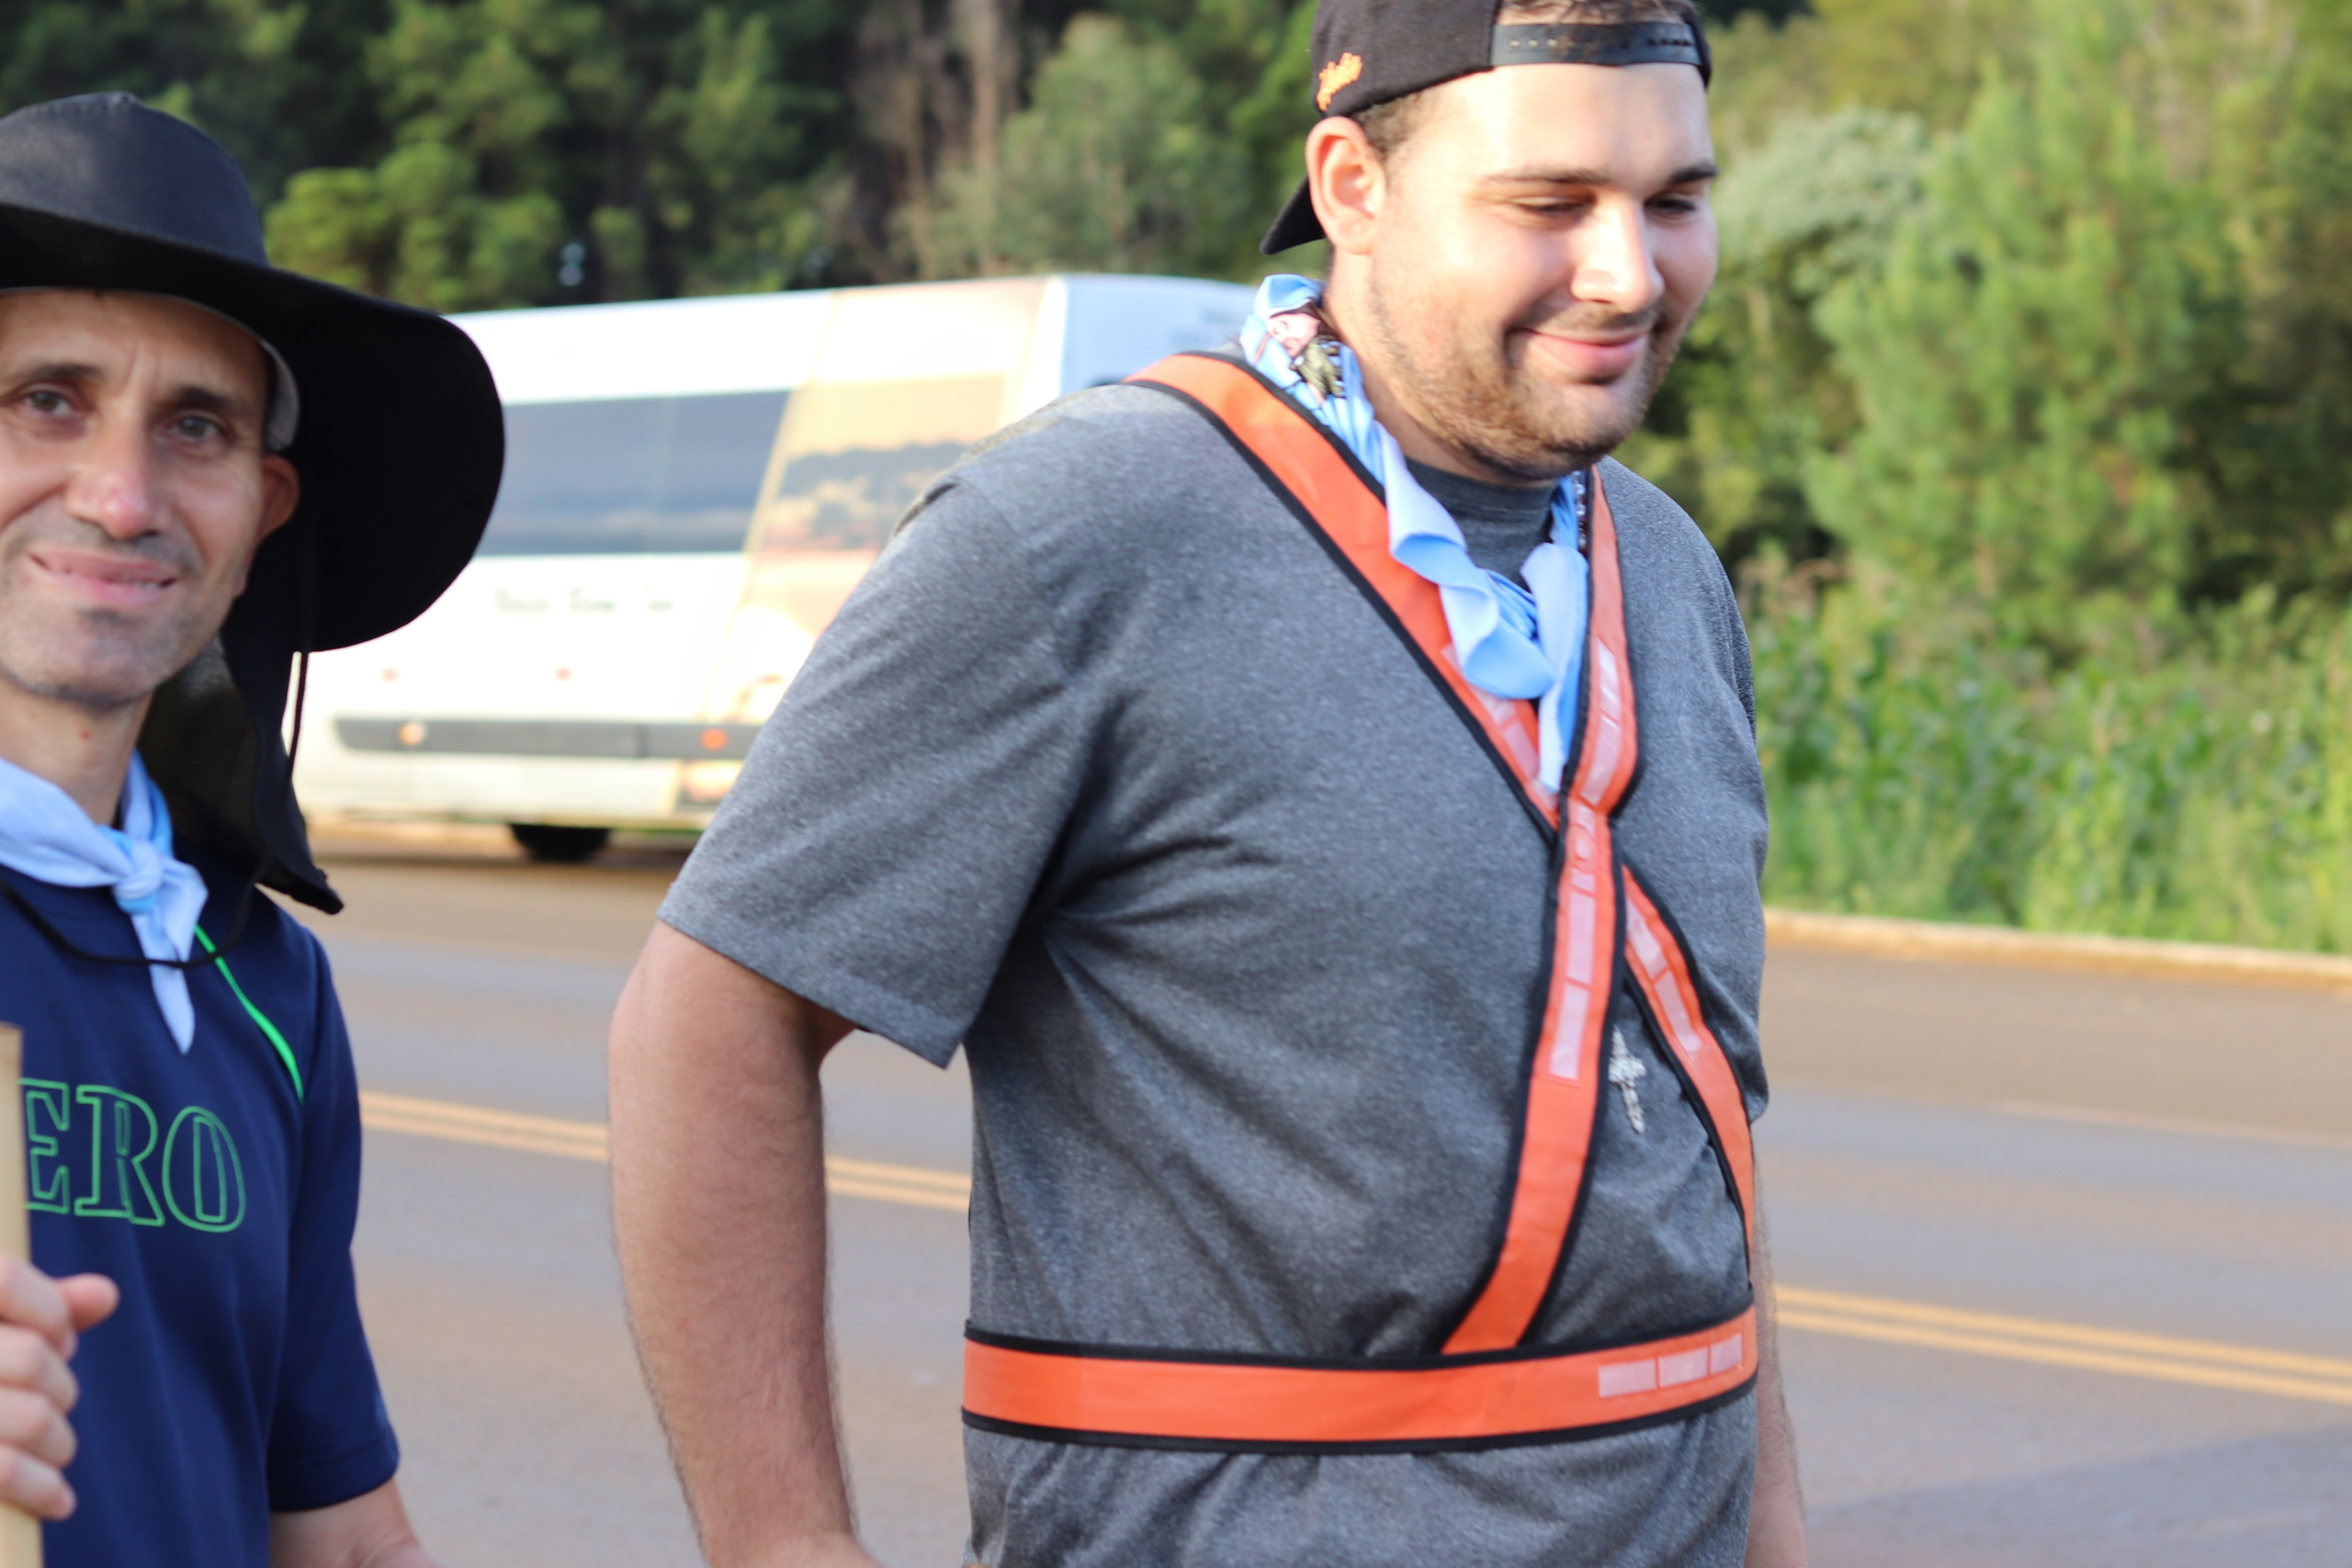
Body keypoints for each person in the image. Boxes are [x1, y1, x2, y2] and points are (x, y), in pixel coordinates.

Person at [609, 0, 1806, 1562]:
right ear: (1353, 185)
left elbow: (1691, 1126)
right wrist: (786, 1550)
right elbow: (708, 1021)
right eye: (1548, 202)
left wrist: (1775, 1525)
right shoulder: (1081, 533)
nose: (1629, 273)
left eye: (1676, 201)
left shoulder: (1664, 562)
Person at [0, 95, 502, 1564]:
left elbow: (332, 1519)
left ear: (263, 508)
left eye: (196, 427)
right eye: (47, 400)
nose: (121, 498)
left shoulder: (264, 984)